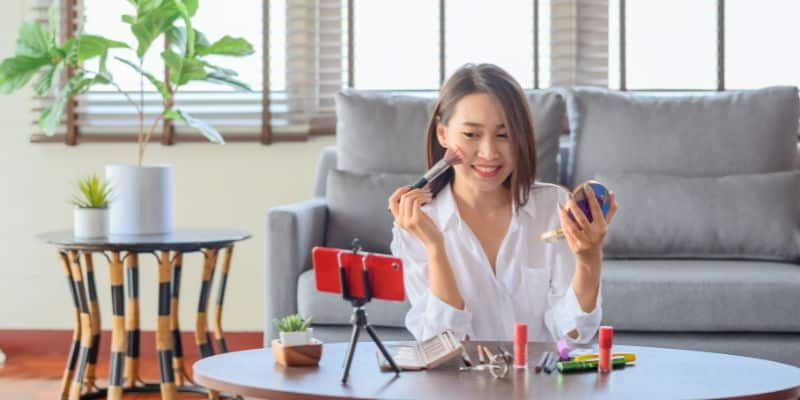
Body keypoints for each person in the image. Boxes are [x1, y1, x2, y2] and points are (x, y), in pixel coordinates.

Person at [388, 63, 618, 344]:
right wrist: (436, 248)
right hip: (458, 385)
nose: (488, 152)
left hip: (537, 382)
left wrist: (589, 258)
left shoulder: (553, 207)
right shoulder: (417, 224)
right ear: (442, 133)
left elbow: (572, 334)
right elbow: (441, 341)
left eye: (504, 135)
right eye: (471, 135)